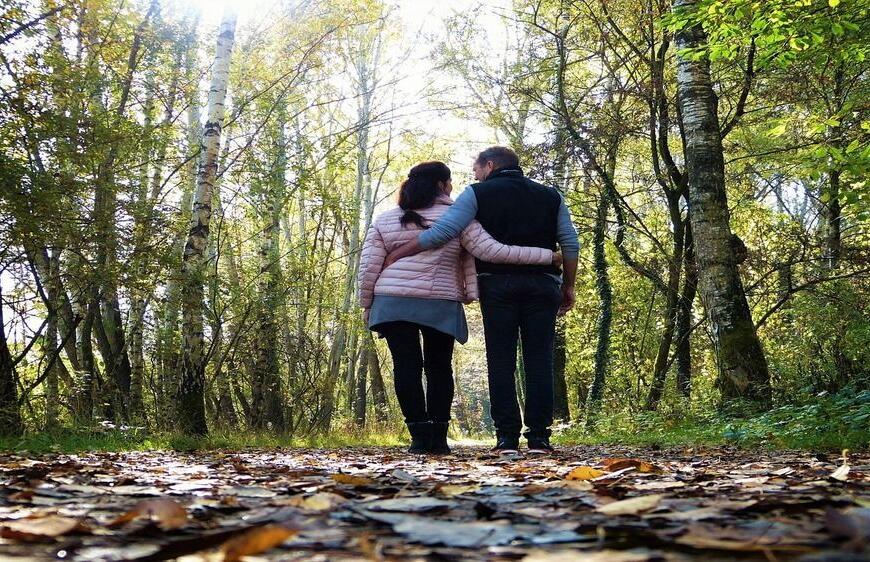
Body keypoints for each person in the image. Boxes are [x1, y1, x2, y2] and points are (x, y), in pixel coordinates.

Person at [384, 147, 579, 455]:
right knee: (540, 360)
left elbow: (444, 231)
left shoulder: (477, 194)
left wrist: (399, 253)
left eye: (476, 169)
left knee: (500, 360)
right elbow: (569, 241)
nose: (473, 175)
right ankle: (539, 437)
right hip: (543, 283)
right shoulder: (550, 195)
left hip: (497, 285)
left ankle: (506, 438)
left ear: (490, 165)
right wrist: (568, 284)